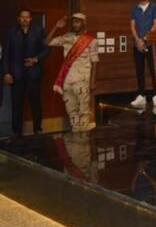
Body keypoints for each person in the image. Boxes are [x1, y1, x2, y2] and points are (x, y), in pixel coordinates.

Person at [46, 13, 99, 132]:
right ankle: (76, 134)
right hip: (67, 80)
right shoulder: (66, 37)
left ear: (84, 23)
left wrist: (92, 82)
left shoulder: (91, 41)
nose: (74, 24)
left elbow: (95, 62)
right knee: (71, 111)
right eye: (73, 22)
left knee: (84, 111)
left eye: (77, 22)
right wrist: (56, 27)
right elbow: (46, 42)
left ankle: (84, 138)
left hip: (82, 80)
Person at [3, 8, 50, 136]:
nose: (25, 19)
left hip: (33, 74)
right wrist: (6, 72)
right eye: (22, 17)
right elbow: (6, 53)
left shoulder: (38, 31)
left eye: (27, 17)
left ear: (31, 19)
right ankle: (17, 132)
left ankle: (37, 129)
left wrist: (35, 59)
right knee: (17, 104)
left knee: (35, 103)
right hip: (16, 74)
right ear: (19, 19)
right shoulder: (12, 32)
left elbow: (46, 50)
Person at [129, 0, 156, 110]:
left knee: (153, 70)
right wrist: (138, 40)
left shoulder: (154, 7)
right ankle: (141, 95)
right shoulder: (134, 8)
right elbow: (132, 25)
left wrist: (145, 39)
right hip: (137, 44)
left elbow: (155, 24)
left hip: (150, 43)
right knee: (139, 70)